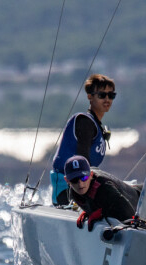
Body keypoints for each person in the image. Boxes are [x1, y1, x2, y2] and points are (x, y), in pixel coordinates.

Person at [51, 73, 116, 205]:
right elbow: (82, 160)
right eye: (102, 95)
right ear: (90, 96)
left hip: (81, 188)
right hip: (69, 190)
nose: (107, 99)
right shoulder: (85, 122)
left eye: (111, 95)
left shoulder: (97, 125)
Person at [63, 155, 140, 231]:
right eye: (74, 180)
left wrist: (102, 213)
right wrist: (89, 210)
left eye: (84, 178)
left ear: (91, 175)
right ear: (67, 180)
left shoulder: (105, 188)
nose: (80, 184)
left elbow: (130, 214)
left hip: (142, 200)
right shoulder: (73, 192)